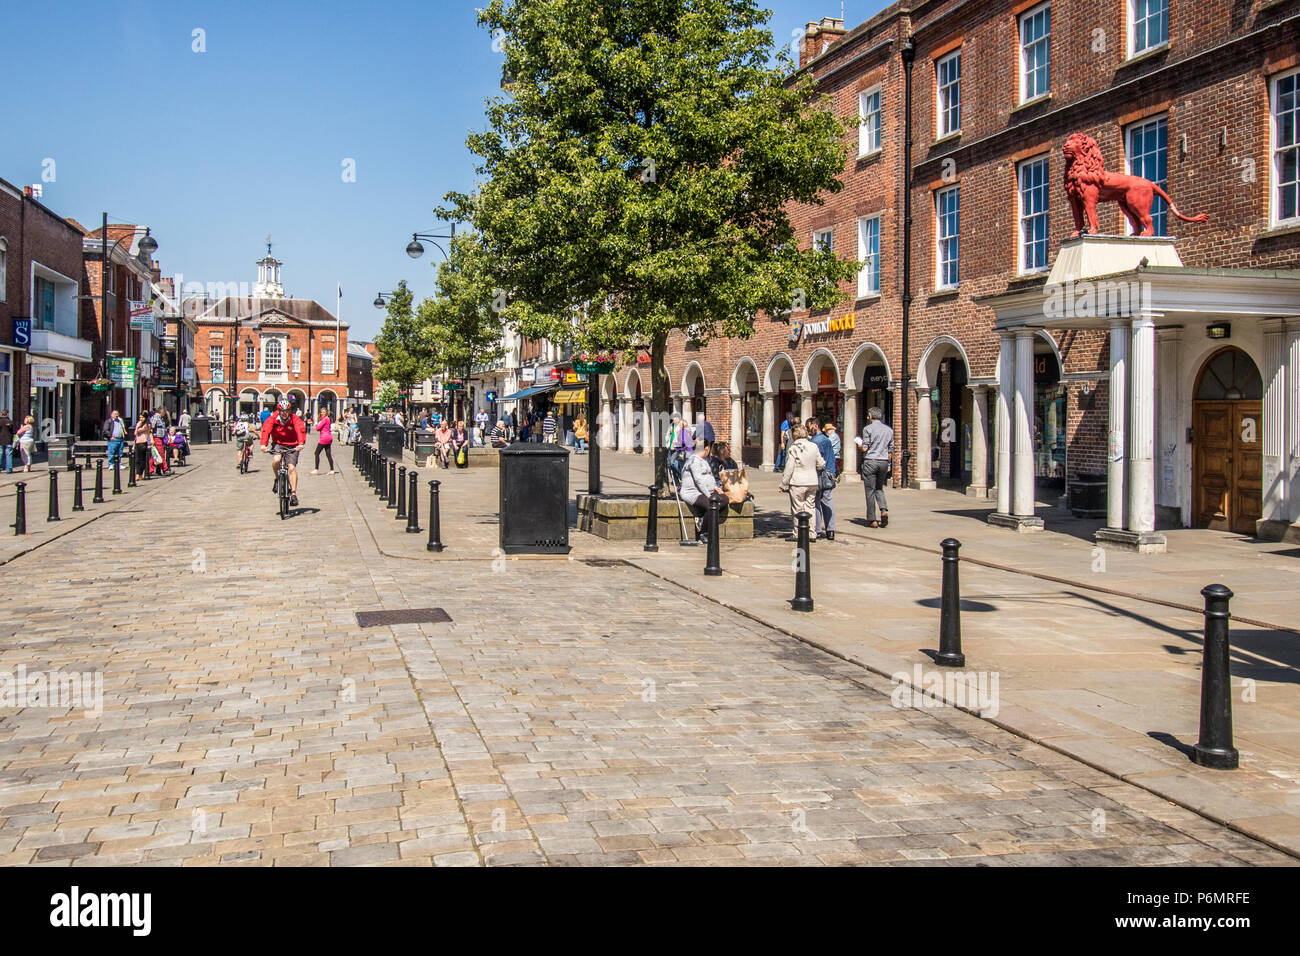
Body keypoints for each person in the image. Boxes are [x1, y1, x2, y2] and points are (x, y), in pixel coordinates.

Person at [677, 437, 730, 542]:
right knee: (712, 506)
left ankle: (702, 518)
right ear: (706, 448)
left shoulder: (704, 460)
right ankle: (704, 532)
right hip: (693, 493)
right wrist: (708, 495)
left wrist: (716, 488)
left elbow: (709, 477)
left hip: (706, 491)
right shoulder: (694, 461)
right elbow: (698, 480)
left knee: (724, 499)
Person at [778, 425, 825, 539]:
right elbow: (821, 463)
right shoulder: (814, 446)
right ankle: (812, 533)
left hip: (797, 482)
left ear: (795, 435)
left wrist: (783, 484)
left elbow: (789, 468)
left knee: (797, 509)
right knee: (811, 508)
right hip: (812, 481)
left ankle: (798, 534)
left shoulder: (794, 448)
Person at [260, 399, 307, 506]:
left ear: (290, 411)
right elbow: (266, 429)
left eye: (287, 410)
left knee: (291, 467)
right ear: (278, 411)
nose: (284, 413)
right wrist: (263, 444)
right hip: (278, 443)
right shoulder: (273, 418)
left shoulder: (294, 418)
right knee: (276, 460)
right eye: (282, 411)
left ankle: (293, 494)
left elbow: (300, 430)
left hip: (293, 445)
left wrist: (301, 443)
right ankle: (277, 479)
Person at [856, 406, 894, 528]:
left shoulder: (868, 429)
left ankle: (872, 519)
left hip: (871, 461)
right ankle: (884, 510)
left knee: (870, 491)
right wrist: (889, 463)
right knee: (879, 488)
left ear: (870, 416)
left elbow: (865, 448)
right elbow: (890, 449)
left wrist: (859, 445)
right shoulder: (889, 430)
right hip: (883, 461)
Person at [808, 418, 838, 540]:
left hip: (820, 474)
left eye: (808, 426)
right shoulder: (825, 439)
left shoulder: (816, 441)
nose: (807, 429)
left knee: (816, 503)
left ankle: (818, 529)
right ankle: (830, 529)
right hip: (828, 473)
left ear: (815, 426)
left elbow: (817, 460)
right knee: (827, 502)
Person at [312, 407, 336, 475]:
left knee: (316, 453)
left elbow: (317, 428)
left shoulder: (324, 419)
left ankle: (316, 469)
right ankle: (332, 470)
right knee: (328, 454)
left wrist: (318, 424)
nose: (322, 413)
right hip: (329, 437)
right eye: (321, 412)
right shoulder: (328, 419)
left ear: (326, 413)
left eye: (323, 412)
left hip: (324, 438)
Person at [133, 414, 153, 479]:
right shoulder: (139, 424)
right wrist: (137, 427)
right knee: (137, 459)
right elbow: (135, 433)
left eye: (142, 417)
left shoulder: (147, 424)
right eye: (140, 417)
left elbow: (149, 432)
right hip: (137, 442)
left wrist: (138, 427)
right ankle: (139, 474)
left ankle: (139, 473)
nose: (141, 419)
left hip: (144, 442)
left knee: (142, 459)